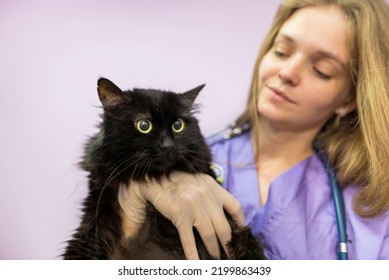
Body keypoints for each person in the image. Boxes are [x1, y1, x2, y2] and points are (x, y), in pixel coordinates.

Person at [118, 0, 389, 259]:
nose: (287, 72)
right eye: (281, 51)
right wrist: (133, 211)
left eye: (321, 70)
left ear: (349, 99)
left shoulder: (374, 207)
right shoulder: (174, 163)